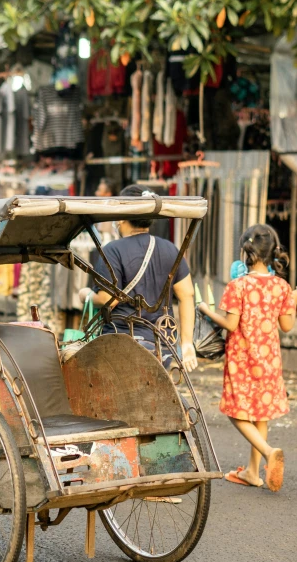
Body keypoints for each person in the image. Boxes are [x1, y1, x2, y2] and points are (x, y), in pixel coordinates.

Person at [199, 224, 296, 491]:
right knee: (260, 413)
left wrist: (206, 310)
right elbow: (287, 326)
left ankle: (267, 452)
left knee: (235, 410)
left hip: (242, 358)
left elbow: (230, 325)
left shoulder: (237, 285)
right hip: (269, 358)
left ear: (246, 251)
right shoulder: (282, 286)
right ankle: (253, 473)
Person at [80, 184, 198, 372]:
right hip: (162, 347)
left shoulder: (113, 250)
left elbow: (107, 300)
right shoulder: (170, 249)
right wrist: (187, 343)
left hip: (122, 345)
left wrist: (86, 295)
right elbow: (187, 295)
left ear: (121, 218)